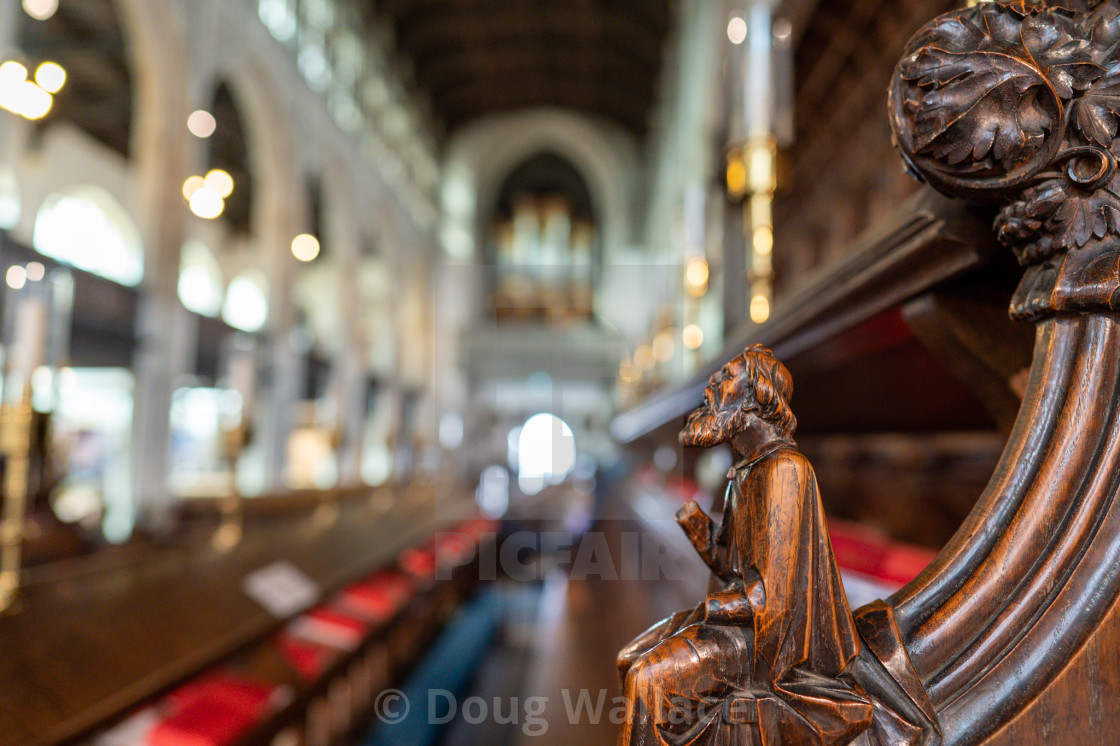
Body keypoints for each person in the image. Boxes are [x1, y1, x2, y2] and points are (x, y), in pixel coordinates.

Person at [617, 345, 872, 745]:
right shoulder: (745, 472)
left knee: (647, 679)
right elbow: (731, 567)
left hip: (768, 647)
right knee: (628, 657)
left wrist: (709, 609)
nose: (712, 387)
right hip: (737, 621)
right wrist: (700, 529)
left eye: (727, 377)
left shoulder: (785, 470)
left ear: (758, 396)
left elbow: (774, 601)